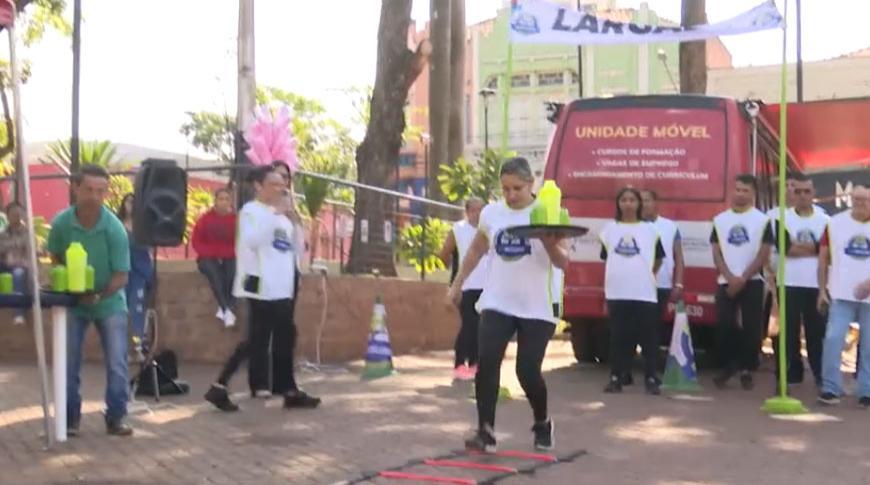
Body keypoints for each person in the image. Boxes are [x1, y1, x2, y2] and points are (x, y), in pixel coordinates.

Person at [447, 157, 569, 452]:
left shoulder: (551, 211)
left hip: (537, 305)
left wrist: (548, 241)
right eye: (505, 189)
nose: (511, 195)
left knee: (527, 372)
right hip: (497, 301)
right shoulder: (492, 213)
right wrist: (457, 283)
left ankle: (542, 422)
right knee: (486, 363)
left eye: (517, 188)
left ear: (531, 184)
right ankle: (485, 431)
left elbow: (563, 261)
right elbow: (477, 248)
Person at [205, 166, 319, 412]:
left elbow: (296, 249)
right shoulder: (251, 211)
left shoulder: (281, 215)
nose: (281, 189)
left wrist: (296, 222)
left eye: (282, 185)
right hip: (260, 286)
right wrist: (274, 214)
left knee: (282, 337)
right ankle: (221, 385)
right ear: (258, 186)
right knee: (257, 340)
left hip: (282, 287)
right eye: (274, 184)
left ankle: (285, 388)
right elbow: (252, 241)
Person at [46, 165, 133, 436]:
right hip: (73, 302)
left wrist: (95, 295)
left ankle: (116, 417)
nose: (94, 196)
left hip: (109, 302)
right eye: (89, 190)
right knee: (68, 362)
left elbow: (122, 276)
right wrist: (71, 287)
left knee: (118, 363)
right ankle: (70, 419)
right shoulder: (61, 222)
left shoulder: (114, 228)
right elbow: (56, 256)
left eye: (101, 191)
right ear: (75, 188)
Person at [710, 174, 773, 390]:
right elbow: (716, 252)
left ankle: (747, 368)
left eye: (745, 190)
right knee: (725, 324)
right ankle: (728, 365)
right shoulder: (720, 220)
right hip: (725, 280)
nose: (740, 194)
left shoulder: (763, 220)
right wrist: (729, 277)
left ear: (753, 193)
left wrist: (744, 277)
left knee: (752, 329)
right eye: (737, 189)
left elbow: (764, 253)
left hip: (752, 280)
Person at [601, 187, 665, 395]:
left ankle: (651, 378)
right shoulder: (609, 230)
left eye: (632, 200)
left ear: (639, 204)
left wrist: (645, 275)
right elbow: (606, 257)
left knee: (649, 338)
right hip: (617, 292)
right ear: (618, 204)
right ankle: (616, 377)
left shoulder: (651, 230)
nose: (628, 203)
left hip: (644, 292)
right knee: (618, 337)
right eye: (624, 200)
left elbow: (658, 259)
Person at [771, 174, 829, 388]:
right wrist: (815, 248)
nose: (802, 195)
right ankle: (789, 375)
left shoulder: (825, 220)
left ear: (814, 193)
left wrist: (809, 248)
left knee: (817, 333)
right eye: (798, 191)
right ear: (792, 193)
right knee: (787, 332)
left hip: (816, 285)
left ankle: (820, 376)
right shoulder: (781, 219)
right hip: (788, 283)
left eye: (807, 191)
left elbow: (828, 252)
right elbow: (786, 249)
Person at [817, 185, 870, 406]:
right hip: (840, 293)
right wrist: (821, 290)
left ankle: (866, 390)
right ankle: (830, 387)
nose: (859, 203)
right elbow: (823, 257)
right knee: (833, 339)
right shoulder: (835, 223)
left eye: (864, 200)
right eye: (856, 198)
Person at [439, 197, 487, 381]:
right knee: (469, 325)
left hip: (486, 286)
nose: (477, 214)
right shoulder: (458, 229)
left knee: (481, 328)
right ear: (467, 212)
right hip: (466, 286)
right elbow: (444, 253)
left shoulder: (489, 230)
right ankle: (460, 363)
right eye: (473, 210)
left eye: (481, 210)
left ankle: (475, 364)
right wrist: (453, 278)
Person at [191, 188, 238, 327]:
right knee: (214, 274)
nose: (224, 202)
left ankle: (224, 309)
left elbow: (239, 242)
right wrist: (214, 253)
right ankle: (226, 309)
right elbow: (196, 241)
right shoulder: (205, 219)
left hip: (229, 256)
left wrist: (225, 254)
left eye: (227, 199)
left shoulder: (236, 220)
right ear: (215, 201)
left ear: (231, 202)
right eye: (221, 199)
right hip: (208, 257)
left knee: (232, 273)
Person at [115, 194, 154, 357]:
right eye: (128, 201)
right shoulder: (116, 225)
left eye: (133, 202)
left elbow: (149, 250)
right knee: (120, 309)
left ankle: (139, 346)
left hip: (139, 272)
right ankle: (119, 347)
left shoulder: (143, 227)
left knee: (137, 307)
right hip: (122, 271)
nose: (130, 205)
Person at [0, 202, 31, 325]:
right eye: (13, 214)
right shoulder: (2, 235)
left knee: (18, 274)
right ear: (7, 216)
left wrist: (16, 258)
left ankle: (19, 314)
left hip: (21, 265)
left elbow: (30, 254)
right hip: (5, 263)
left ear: (23, 215)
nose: (16, 216)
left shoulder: (27, 234)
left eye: (18, 214)